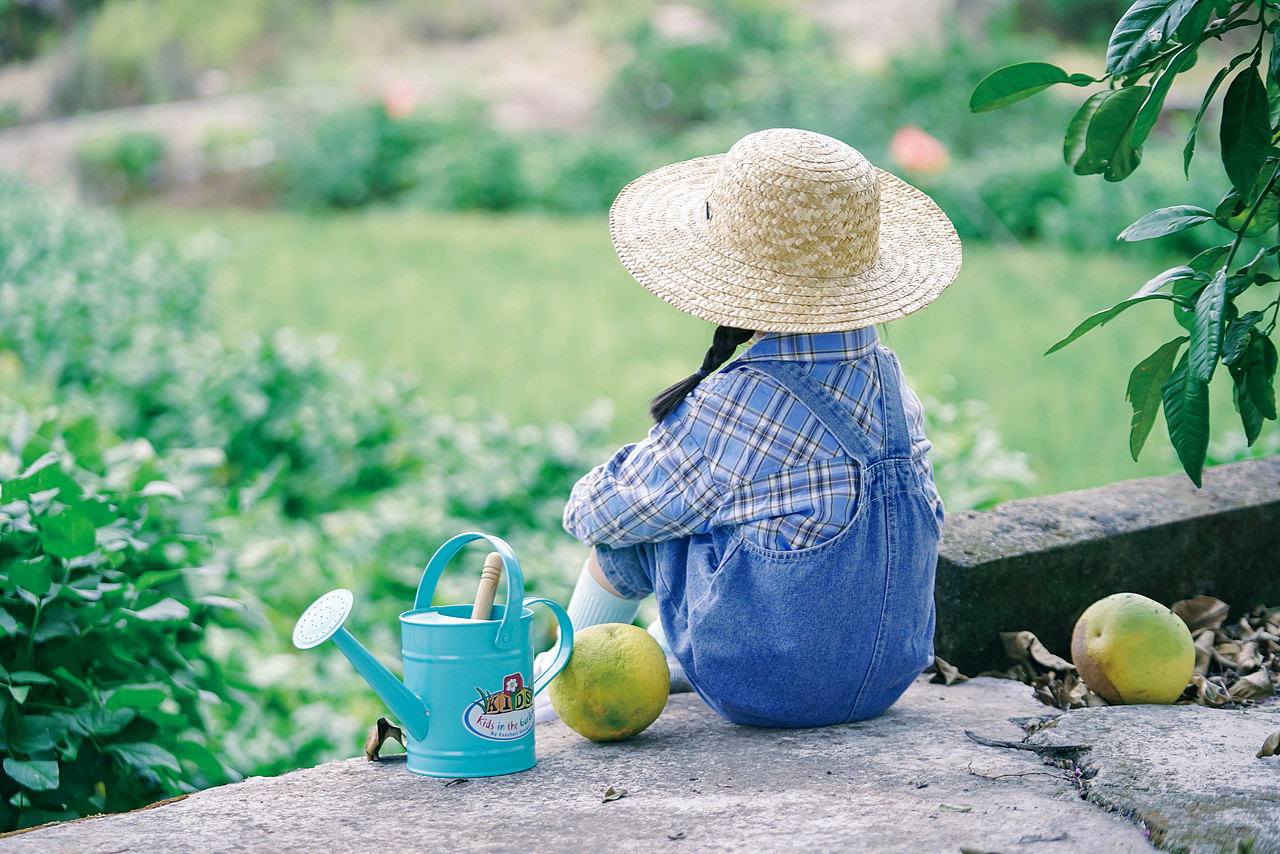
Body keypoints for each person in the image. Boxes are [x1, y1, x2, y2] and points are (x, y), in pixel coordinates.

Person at [548, 127, 961, 728]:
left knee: (639, 533)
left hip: (769, 685)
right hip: (886, 675)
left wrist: (598, 490)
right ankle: (661, 650)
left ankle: (556, 687)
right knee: (733, 514)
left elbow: (602, 513)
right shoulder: (890, 382)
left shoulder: (739, 401)